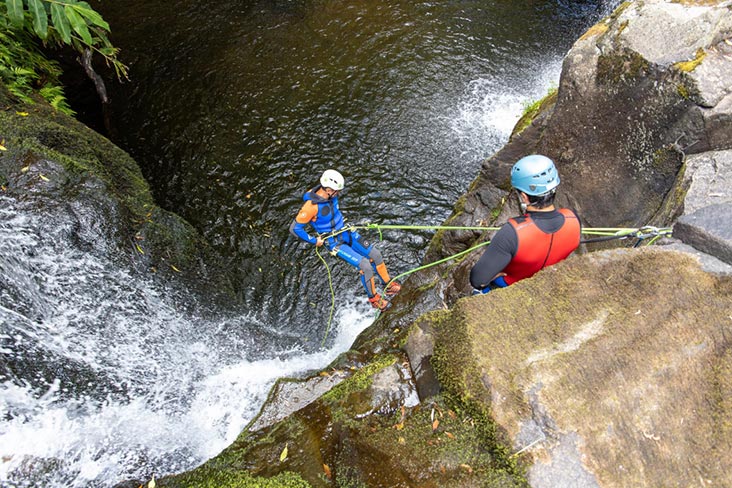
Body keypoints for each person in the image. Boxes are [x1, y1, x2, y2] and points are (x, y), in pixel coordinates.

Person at [290, 169, 401, 311]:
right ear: (329, 190)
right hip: (334, 242)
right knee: (365, 266)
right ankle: (374, 299)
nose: (339, 194)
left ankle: (388, 285)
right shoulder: (311, 207)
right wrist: (314, 240)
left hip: (346, 232)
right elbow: (294, 228)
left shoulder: (329, 194)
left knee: (376, 255)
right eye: (337, 191)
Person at [470, 154, 580, 294]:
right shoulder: (573, 219)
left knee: (479, 290)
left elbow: (478, 280)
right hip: (546, 281)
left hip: (510, 285)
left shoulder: (512, 233)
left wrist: (494, 275)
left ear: (524, 197)